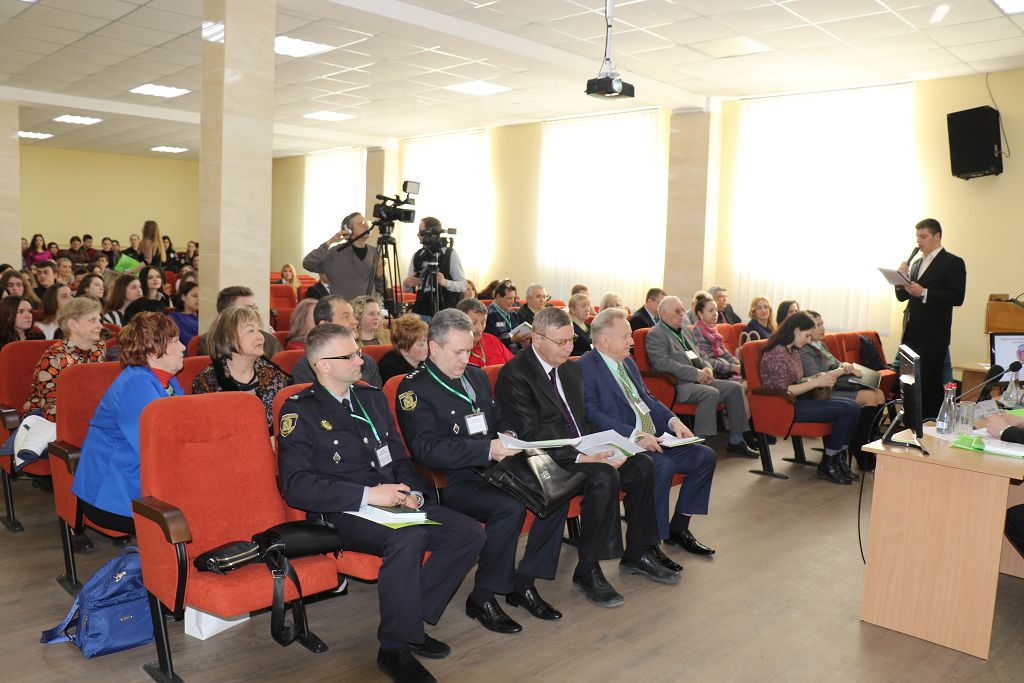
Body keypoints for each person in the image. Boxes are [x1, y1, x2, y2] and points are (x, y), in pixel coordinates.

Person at [278, 323, 484, 683]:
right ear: (323, 365)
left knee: (467, 533)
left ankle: (408, 620)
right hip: (344, 512)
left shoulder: (370, 397)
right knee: (409, 537)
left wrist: (413, 493)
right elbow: (296, 486)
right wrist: (370, 495)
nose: (361, 360)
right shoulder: (300, 411)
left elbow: (400, 458)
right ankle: (394, 647)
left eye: (358, 352)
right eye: (350, 355)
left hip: (393, 501)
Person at [397, 309, 569, 634]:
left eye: (469, 350)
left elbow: (498, 415)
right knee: (509, 508)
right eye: (458, 352)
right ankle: (483, 596)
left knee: (556, 489)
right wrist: (487, 449)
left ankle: (524, 582)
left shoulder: (474, 376)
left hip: (496, 467)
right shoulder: (414, 390)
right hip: (452, 479)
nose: (466, 358)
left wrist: (509, 435)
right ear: (433, 348)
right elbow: (426, 449)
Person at [496, 308, 681, 604]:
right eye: (560, 342)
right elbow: (531, 434)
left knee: (641, 465)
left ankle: (638, 552)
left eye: (571, 340)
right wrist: (582, 457)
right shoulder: (515, 374)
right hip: (544, 458)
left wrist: (617, 444)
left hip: (580, 448)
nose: (568, 348)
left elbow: (583, 421)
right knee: (604, 476)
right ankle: (588, 569)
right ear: (536, 339)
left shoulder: (570, 369)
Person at [578, 307, 718, 557]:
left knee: (704, 456)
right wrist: (635, 435)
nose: (632, 342)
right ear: (604, 340)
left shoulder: (627, 363)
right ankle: (652, 542)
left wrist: (674, 421)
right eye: (626, 336)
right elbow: (591, 413)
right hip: (626, 444)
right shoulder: (585, 367)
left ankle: (679, 527)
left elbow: (648, 399)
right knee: (660, 465)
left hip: (655, 437)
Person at [72, 312, 185, 534]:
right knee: (203, 507)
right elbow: (157, 450)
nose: (183, 347)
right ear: (153, 352)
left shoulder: (167, 380)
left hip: (136, 483)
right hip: (114, 494)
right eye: (174, 341)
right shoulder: (137, 384)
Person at [646, 296, 758, 457]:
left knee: (735, 388)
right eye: (677, 311)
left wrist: (707, 368)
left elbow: (701, 355)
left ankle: (736, 440)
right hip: (678, 385)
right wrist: (695, 374)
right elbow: (662, 364)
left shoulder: (685, 330)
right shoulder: (656, 334)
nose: (682, 314)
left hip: (700, 379)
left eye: (682, 310)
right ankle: (699, 445)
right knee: (710, 393)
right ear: (663, 314)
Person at [760, 312, 862, 485]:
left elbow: (797, 381)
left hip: (799, 400)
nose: (808, 340)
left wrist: (816, 377)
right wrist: (816, 382)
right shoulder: (777, 353)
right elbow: (784, 390)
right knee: (847, 409)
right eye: (807, 335)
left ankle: (837, 460)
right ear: (796, 330)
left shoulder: (792, 350)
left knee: (854, 407)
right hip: (785, 406)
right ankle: (828, 462)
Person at [895, 218, 967, 419]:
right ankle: (911, 426)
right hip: (911, 333)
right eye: (917, 237)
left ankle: (931, 426)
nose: (919, 241)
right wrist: (900, 280)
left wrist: (925, 292)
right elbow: (902, 297)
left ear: (937, 236)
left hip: (934, 335)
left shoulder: (952, 262)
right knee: (910, 386)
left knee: (929, 385)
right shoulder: (916, 264)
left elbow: (957, 297)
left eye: (923, 236)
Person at [192, 306, 290, 432]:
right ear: (227, 337)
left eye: (259, 330)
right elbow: (206, 432)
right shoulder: (207, 382)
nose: (261, 337)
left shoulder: (277, 378)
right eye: (251, 331)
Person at [23, 297, 105, 420]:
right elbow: (50, 409)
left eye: (99, 320)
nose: (100, 326)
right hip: (44, 418)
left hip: (86, 413)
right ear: (73, 325)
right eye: (92, 320)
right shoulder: (53, 357)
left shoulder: (98, 348)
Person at [291, 295, 382, 387]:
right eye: (346, 317)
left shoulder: (366, 362)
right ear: (325, 325)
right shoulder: (304, 368)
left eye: (353, 316)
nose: (355, 321)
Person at [302, 212, 384, 300]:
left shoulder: (374, 252)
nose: (367, 226)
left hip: (369, 307)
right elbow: (308, 263)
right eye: (361, 223)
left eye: (367, 222)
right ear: (348, 230)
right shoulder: (335, 253)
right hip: (344, 307)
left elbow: (381, 289)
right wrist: (329, 242)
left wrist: (380, 274)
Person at [197, 286, 284, 360]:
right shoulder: (211, 341)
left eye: (254, 308)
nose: (254, 313)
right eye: (248, 308)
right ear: (227, 313)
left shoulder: (270, 341)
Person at [403, 216, 467, 317]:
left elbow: (463, 285)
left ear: (432, 233)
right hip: (421, 311)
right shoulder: (418, 255)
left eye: (421, 231)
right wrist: (406, 283)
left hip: (445, 312)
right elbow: (408, 290)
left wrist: (445, 282)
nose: (418, 234)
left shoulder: (449, 254)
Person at [691, 293, 741, 379]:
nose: (715, 313)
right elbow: (706, 360)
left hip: (724, 369)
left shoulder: (714, 330)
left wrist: (737, 364)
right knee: (744, 383)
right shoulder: (696, 333)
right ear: (700, 314)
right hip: (711, 373)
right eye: (711, 311)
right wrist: (733, 368)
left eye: (716, 310)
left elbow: (724, 352)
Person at [456, 298, 512, 368]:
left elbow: (513, 365)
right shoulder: (453, 349)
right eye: (473, 322)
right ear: (459, 322)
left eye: (483, 322)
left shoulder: (492, 340)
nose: (479, 328)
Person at [378, 314, 429, 382]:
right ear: (404, 349)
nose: (427, 347)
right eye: (421, 345)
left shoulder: (427, 360)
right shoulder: (391, 369)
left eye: (427, 341)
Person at [485, 280, 529, 352]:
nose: (512, 302)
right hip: (499, 353)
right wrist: (511, 339)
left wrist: (523, 342)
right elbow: (490, 341)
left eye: (513, 298)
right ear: (498, 297)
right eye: (509, 298)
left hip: (515, 353)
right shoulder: (489, 314)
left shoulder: (514, 314)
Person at [168, 281, 200, 349]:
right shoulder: (174, 317)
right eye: (194, 296)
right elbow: (183, 337)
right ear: (183, 297)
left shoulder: (205, 318)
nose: (199, 299)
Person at [568, 292, 593, 357]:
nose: (587, 309)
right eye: (583, 306)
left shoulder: (590, 326)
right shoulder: (569, 329)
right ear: (572, 310)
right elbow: (569, 352)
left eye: (588, 306)